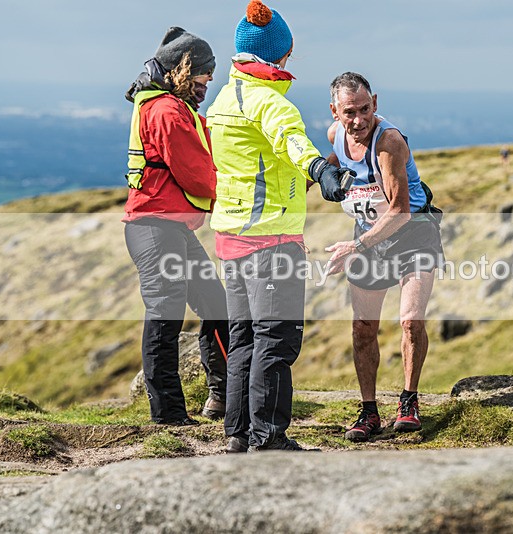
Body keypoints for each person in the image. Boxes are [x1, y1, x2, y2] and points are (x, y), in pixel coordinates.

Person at [207, 0, 352, 452]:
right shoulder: (271, 103)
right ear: (279, 55)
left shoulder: (223, 100)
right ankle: (269, 437)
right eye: (288, 52)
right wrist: (321, 172)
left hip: (230, 237)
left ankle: (238, 435)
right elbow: (291, 143)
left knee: (245, 338)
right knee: (277, 339)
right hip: (271, 240)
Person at [324, 72, 444, 442]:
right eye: (349, 113)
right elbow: (336, 159)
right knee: (363, 328)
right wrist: (326, 173)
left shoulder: (388, 141)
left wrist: (356, 247)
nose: (358, 120)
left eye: (365, 109)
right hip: (368, 235)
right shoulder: (335, 136)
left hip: (412, 233)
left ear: (375, 102)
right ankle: (369, 410)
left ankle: (408, 401)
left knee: (410, 321)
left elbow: (400, 210)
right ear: (335, 112)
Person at [123, 27, 229, 425]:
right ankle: (167, 415)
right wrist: (243, 195)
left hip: (168, 229)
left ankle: (221, 396)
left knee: (216, 307)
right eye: (205, 72)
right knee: (165, 318)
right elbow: (198, 176)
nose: (209, 81)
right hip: (155, 229)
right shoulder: (167, 111)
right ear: (184, 68)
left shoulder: (167, 105)